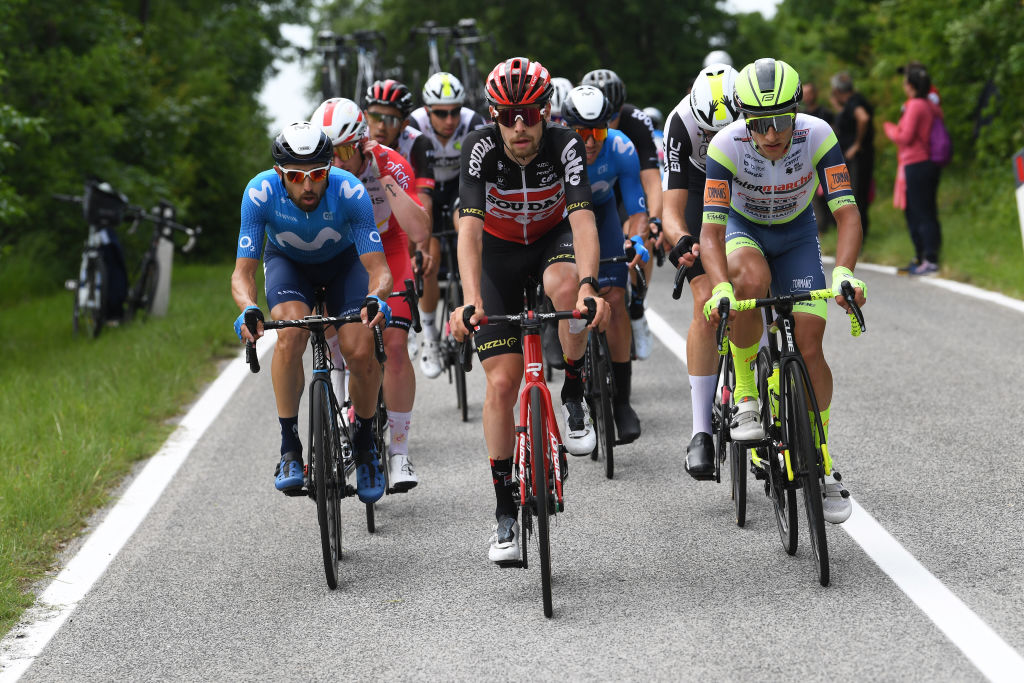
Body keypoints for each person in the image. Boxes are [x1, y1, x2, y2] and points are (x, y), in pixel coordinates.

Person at [449, 57, 610, 564]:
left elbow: (583, 219)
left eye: (530, 115)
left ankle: (576, 388)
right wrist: (471, 300)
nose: (520, 127)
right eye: (508, 116)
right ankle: (503, 510)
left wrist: (589, 286)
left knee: (566, 289)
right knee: (501, 382)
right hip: (496, 254)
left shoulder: (566, 145)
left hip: (550, 240)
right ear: (494, 116)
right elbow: (469, 232)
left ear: (546, 113)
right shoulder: (479, 149)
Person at [698, 58, 867, 524]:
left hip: (796, 235)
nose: (771, 134)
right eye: (759, 124)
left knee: (810, 346)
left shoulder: (819, 135)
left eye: (781, 121)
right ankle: (748, 395)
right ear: (743, 120)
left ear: (798, 112)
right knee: (749, 284)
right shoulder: (725, 146)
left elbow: (847, 214)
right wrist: (720, 289)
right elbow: (710, 233)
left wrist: (845, 274)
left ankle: (824, 459)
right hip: (744, 230)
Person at [231, 121, 393, 503]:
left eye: (317, 175)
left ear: (329, 169)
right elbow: (243, 273)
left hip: (344, 266)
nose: (308, 186)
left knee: (360, 348)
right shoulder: (259, 193)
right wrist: (249, 307)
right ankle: (290, 448)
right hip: (290, 266)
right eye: (296, 177)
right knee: (290, 336)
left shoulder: (350, 191)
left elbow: (379, 270)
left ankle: (366, 443)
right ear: (278, 174)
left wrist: (377, 296)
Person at [310, 97, 432, 491]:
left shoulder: (392, 162)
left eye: (346, 152)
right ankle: (346, 402)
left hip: (388, 249)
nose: (338, 164)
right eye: (331, 154)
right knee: (335, 335)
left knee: (394, 344)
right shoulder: (315, 172)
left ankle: (399, 453)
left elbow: (419, 233)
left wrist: (384, 178)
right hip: (340, 253)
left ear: (363, 144)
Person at [659, 62, 740, 478]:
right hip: (697, 187)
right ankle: (701, 431)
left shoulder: (757, 122)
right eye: (710, 135)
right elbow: (671, 209)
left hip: (746, 187)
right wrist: (682, 241)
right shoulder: (680, 123)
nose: (717, 141)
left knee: (754, 284)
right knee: (708, 300)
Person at [563, 84, 650, 443]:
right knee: (572, 296)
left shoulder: (620, 146)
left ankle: (622, 402)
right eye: (581, 133)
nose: (590, 141)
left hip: (602, 214)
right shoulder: (557, 151)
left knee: (615, 299)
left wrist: (636, 239)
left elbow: (636, 208)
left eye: (597, 131)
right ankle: (572, 371)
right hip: (563, 219)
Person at [408, 72, 488, 379]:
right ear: (428, 111)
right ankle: (430, 337)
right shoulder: (414, 126)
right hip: (423, 189)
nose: (450, 119)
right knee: (429, 256)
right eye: (441, 113)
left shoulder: (473, 123)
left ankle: (472, 297)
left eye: (455, 110)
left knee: (468, 228)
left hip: (458, 189)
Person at [581, 68, 662, 360]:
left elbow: (652, 179)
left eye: (614, 116)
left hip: (624, 184)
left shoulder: (635, 122)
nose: (609, 123)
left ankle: (637, 307)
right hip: (589, 191)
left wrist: (654, 221)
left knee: (643, 240)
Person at [363, 79, 438, 358]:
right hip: (370, 217)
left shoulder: (418, 143)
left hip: (405, 209)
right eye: (375, 116)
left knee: (425, 252)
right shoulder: (353, 144)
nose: (381, 126)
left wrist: (423, 250)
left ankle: (425, 334)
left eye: (390, 119)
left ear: (405, 123)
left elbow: (423, 198)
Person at [884, 63, 943, 276]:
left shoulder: (916, 105)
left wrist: (890, 129)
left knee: (920, 212)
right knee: (923, 211)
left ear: (910, 85)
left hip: (917, 162)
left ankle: (929, 258)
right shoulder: (928, 104)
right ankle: (923, 256)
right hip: (925, 163)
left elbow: (905, 137)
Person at [830, 71, 875, 239]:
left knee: (855, 197)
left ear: (837, 89)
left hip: (858, 157)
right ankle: (855, 235)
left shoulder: (855, 102)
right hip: (857, 156)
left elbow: (863, 118)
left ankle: (857, 237)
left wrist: (857, 144)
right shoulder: (853, 101)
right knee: (854, 196)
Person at [801, 81, 836, 234]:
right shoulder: (800, 116)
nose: (807, 97)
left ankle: (832, 225)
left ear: (815, 94)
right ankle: (819, 229)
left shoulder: (825, 114)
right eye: (804, 94)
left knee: (830, 193)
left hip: (823, 158)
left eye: (809, 93)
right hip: (806, 161)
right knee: (812, 197)